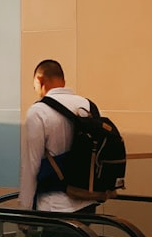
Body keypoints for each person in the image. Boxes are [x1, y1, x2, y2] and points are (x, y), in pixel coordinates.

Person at [19, 59, 99, 214]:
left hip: (55, 206)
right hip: (88, 203)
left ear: (39, 80)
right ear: (63, 81)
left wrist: (24, 212)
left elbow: (30, 166)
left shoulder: (38, 111)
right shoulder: (89, 106)